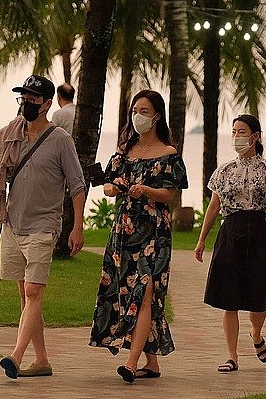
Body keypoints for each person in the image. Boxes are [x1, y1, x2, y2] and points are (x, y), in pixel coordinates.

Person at [0, 75, 86, 379]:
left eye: (32, 98)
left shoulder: (60, 140)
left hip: (44, 223)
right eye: (23, 97)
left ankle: (16, 355)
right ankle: (41, 361)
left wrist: (77, 227)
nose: (26, 102)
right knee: (26, 297)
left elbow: (77, 186)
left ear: (47, 103)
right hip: (13, 222)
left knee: (33, 292)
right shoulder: (8, 135)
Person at [89, 90, 188, 384]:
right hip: (125, 228)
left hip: (154, 231)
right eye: (135, 110)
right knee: (128, 291)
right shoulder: (123, 152)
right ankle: (152, 363)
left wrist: (145, 190)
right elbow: (106, 187)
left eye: (144, 111)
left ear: (157, 116)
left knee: (145, 290)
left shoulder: (169, 154)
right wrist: (117, 185)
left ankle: (131, 365)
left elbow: (170, 194)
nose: (138, 116)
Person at [194, 114, 266, 373]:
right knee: (229, 299)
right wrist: (202, 239)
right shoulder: (224, 170)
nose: (236, 136)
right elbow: (214, 206)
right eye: (234, 131)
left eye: (242, 131)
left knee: (259, 298)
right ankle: (232, 356)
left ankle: (256, 334)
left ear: (255, 136)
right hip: (230, 234)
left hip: (258, 233)